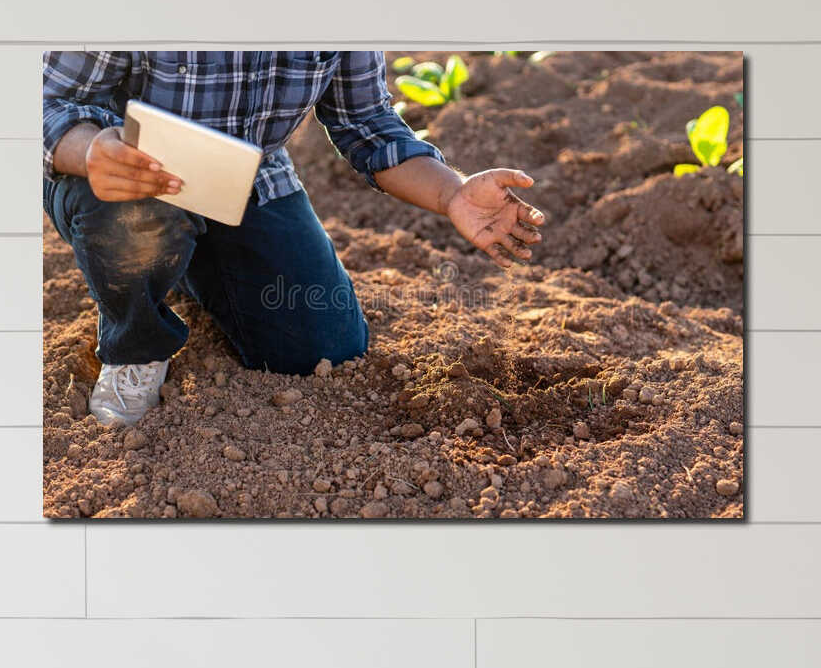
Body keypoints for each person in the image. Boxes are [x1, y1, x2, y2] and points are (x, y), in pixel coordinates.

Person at [43, 50, 545, 427]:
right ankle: (136, 347)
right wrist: (90, 151)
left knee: (323, 349)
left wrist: (452, 193)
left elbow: (367, 124)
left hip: (248, 175)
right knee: (143, 218)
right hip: (125, 171)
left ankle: (178, 263)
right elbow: (44, 99)